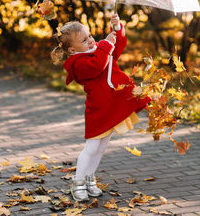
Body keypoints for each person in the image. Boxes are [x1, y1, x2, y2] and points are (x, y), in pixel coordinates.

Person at [51, 14, 151, 201]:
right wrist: (105, 44)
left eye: (89, 36)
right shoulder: (76, 63)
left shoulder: (97, 49)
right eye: (84, 39)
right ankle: (78, 181)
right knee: (92, 147)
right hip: (99, 110)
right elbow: (97, 66)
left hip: (112, 105)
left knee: (101, 146)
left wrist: (117, 30)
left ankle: (89, 178)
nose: (90, 40)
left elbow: (115, 50)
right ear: (72, 49)